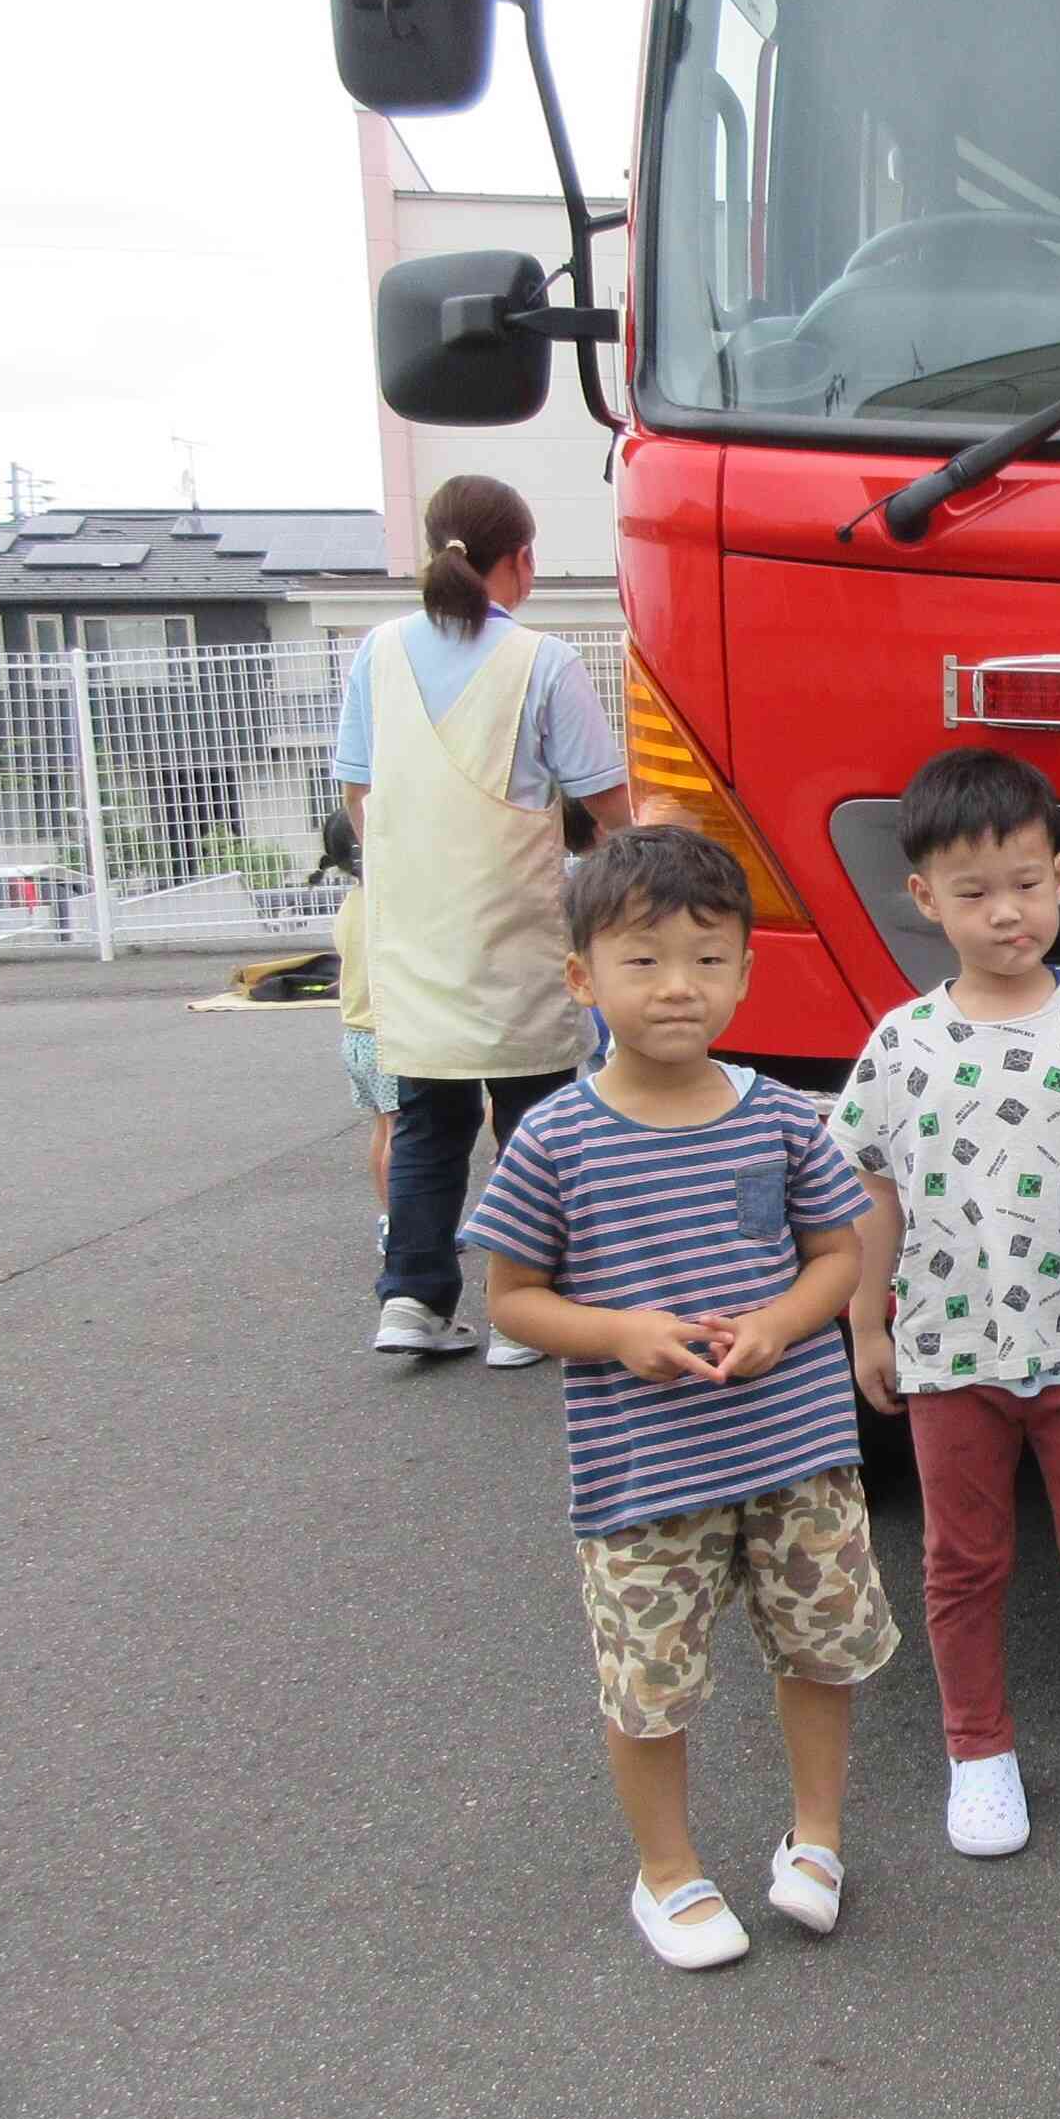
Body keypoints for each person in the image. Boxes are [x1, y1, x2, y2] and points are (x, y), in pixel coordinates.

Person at [461, 828, 898, 1971]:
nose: (678, 987)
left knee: (821, 1651)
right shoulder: (556, 1136)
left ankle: (818, 1838)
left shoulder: (781, 1116)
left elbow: (836, 1260)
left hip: (796, 1451)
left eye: (708, 958)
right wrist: (620, 1335)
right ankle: (667, 1873)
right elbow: (511, 1297)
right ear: (582, 978)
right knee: (649, 1683)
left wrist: (781, 1326)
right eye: (643, 960)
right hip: (643, 1476)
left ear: (747, 973)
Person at [840, 750, 1060, 1860]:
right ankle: (977, 1751)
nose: (1007, 913)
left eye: (1028, 883)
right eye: (975, 893)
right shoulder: (902, 1039)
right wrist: (865, 1319)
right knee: (961, 1562)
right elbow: (873, 1188)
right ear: (926, 899)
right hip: (950, 1344)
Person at [338, 476, 631, 1363]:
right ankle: (520, 1313)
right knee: (535, 1118)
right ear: (523, 559)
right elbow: (606, 802)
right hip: (514, 922)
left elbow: (360, 793)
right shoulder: (543, 662)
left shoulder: (376, 651)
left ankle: (412, 1301)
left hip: (415, 929)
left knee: (429, 1120)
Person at [323, 806, 398, 1247]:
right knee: (405, 1135)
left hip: (355, 1035)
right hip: (385, 1034)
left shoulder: (351, 904)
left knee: (383, 1129)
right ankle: (407, 1224)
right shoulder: (385, 905)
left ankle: (390, 1218)